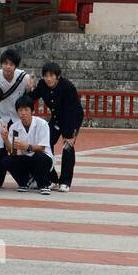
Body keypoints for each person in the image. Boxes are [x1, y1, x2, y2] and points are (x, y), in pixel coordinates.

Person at [32, 61, 84, 193]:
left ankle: (65, 181)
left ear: (58, 76)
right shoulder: (42, 85)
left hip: (72, 119)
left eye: (51, 75)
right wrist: (28, 89)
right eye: (46, 75)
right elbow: (32, 98)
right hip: (56, 120)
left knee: (67, 147)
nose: (48, 79)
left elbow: (73, 111)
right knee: (45, 143)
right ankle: (52, 179)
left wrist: (71, 134)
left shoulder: (67, 86)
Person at [1, 96, 54, 195]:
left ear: (32, 111)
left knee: (39, 156)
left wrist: (27, 147)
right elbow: (13, 151)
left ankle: (44, 185)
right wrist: (5, 139)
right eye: (20, 110)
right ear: (17, 112)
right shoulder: (14, 127)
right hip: (26, 158)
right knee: (7, 160)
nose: (23, 113)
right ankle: (23, 183)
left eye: (26, 109)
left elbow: (42, 147)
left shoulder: (42, 124)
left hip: (43, 158)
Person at [0, 48, 34, 137]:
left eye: (11, 64)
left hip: (17, 119)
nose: (8, 67)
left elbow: (29, 99)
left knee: (15, 145)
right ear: (1, 64)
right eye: (5, 63)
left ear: (16, 66)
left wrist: (29, 90)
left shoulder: (24, 77)